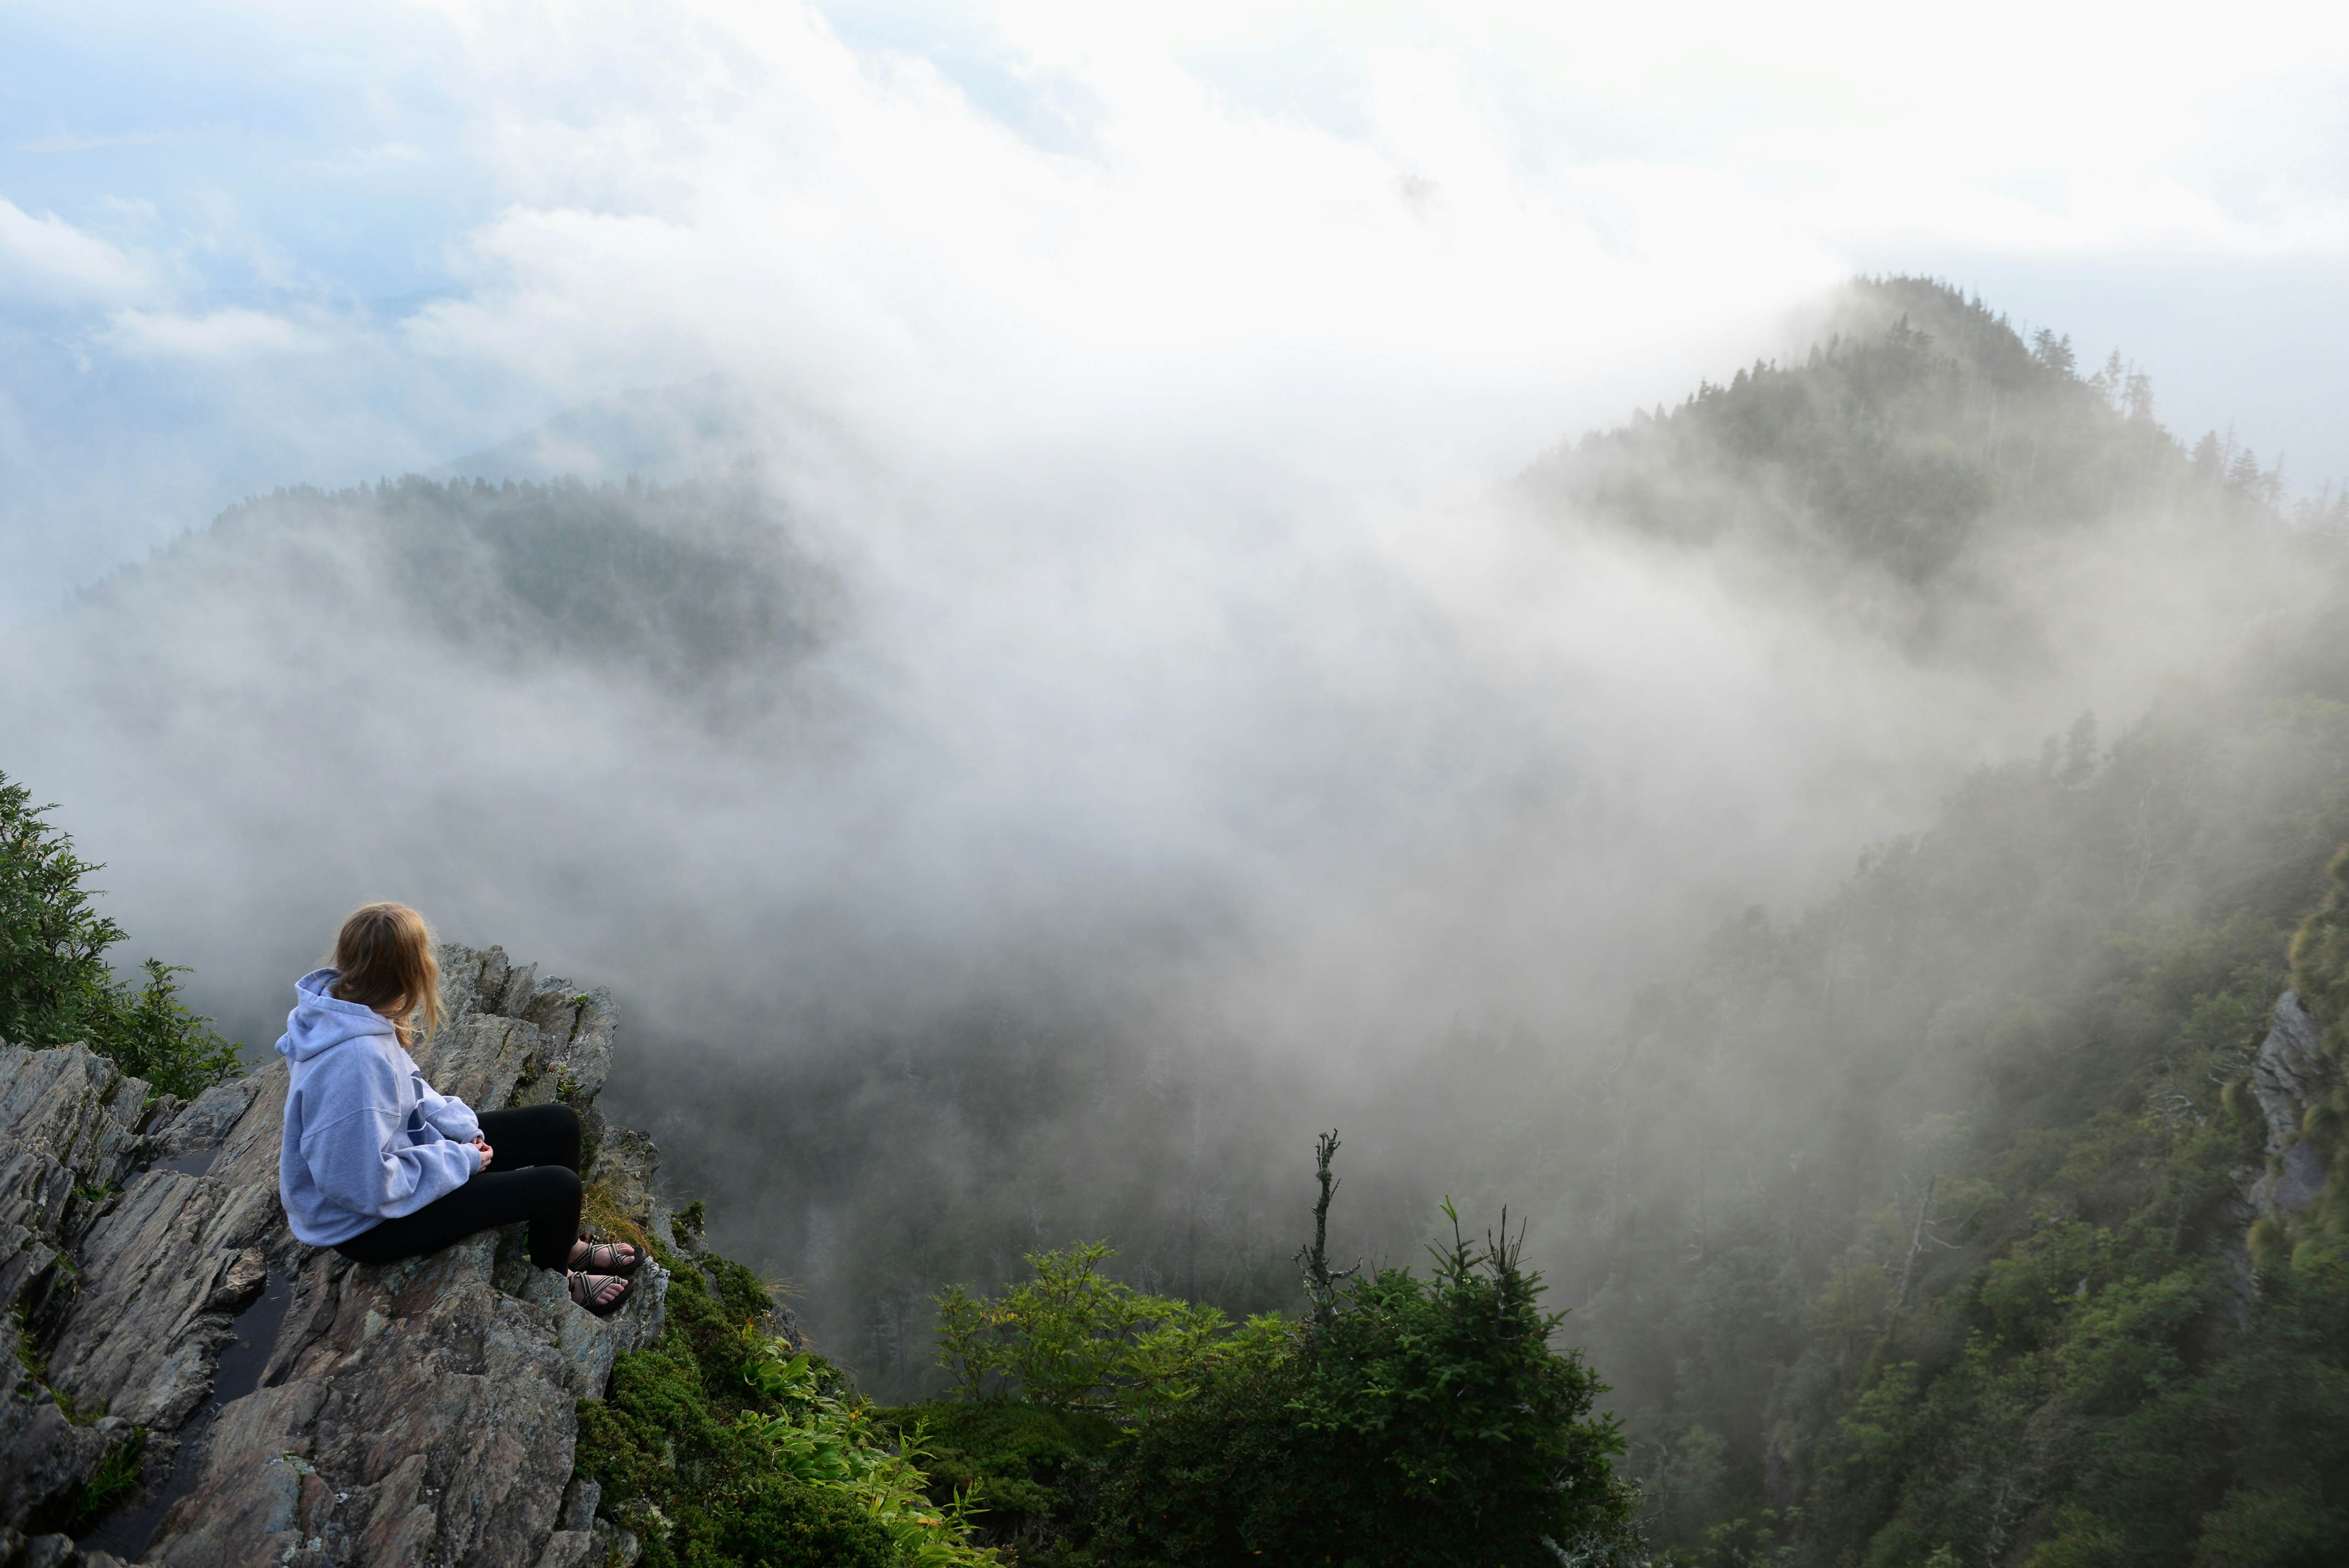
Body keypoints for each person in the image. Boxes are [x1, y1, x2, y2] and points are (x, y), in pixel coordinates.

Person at [276, 902, 639, 1314]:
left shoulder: (352, 1013)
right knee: (559, 1188)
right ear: (412, 973)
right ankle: (557, 1282)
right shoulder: (355, 1061)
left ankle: (567, 1246)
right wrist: (459, 1160)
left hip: (399, 1163)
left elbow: (412, 1093)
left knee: (559, 1124)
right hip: (370, 1224)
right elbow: (362, 1186)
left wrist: (463, 1129)